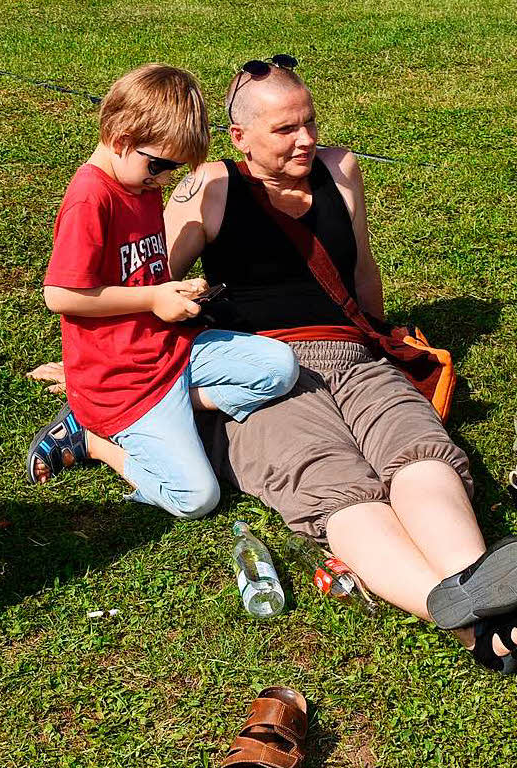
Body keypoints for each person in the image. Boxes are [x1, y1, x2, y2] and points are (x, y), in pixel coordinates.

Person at [158, 57, 517, 671]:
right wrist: (98, 368)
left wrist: (382, 335)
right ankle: (487, 631)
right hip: (260, 368)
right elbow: (147, 287)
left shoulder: (339, 168)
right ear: (239, 137)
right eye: (284, 130)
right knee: (334, 489)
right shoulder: (208, 188)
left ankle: (479, 599)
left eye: (310, 122)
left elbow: (361, 270)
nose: (305, 139)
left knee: (418, 451)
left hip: (351, 352)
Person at [27, 63, 298, 521]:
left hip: (169, 351)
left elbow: (142, 272)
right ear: (122, 141)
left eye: (173, 169)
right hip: (125, 380)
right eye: (159, 165)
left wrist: (175, 290)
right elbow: (62, 294)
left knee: (281, 367)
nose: (164, 178)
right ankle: (94, 439)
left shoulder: (140, 183)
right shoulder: (92, 196)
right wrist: (153, 299)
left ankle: (174, 406)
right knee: (196, 498)